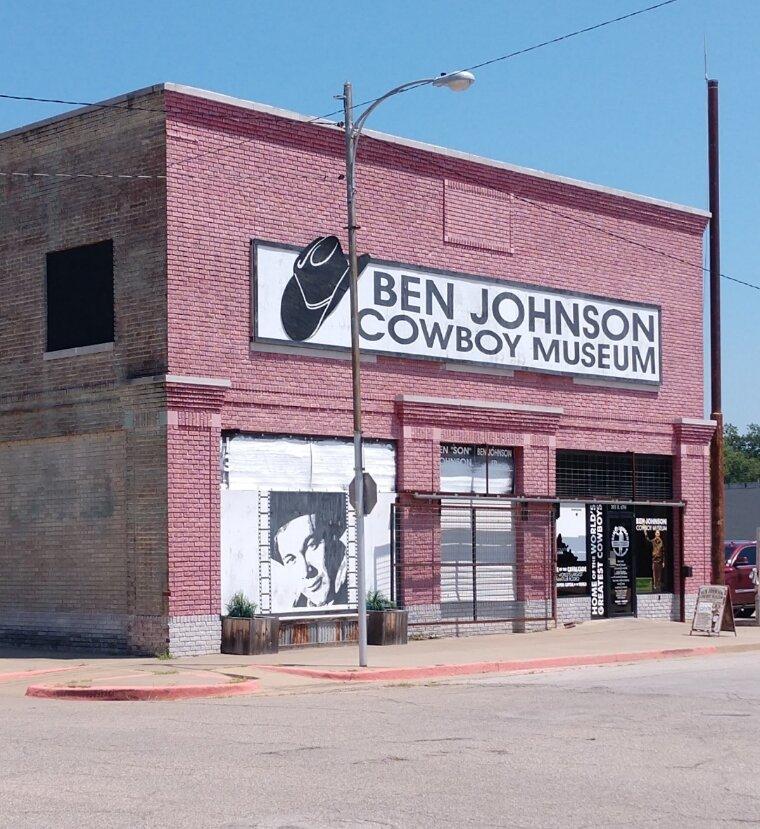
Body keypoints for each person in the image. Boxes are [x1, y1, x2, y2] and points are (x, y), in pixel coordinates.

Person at [269, 492, 348, 612]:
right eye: (291, 559)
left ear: (332, 539)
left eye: (311, 545)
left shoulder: (351, 591)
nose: (306, 571)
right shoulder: (295, 607)